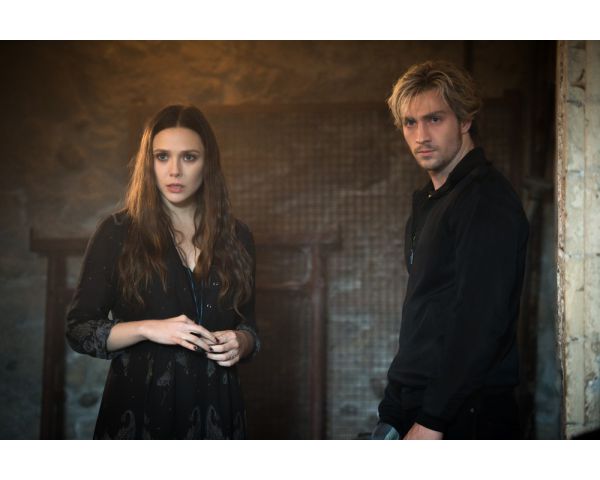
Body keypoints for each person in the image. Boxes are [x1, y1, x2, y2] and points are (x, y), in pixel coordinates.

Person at [66, 104, 259, 439]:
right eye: (162, 156)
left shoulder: (237, 236)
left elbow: (249, 324)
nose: (174, 171)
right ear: (149, 163)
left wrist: (242, 341)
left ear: (208, 163)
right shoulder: (116, 232)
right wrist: (148, 328)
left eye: (189, 157)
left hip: (219, 409)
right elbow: (79, 329)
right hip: (140, 411)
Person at [372, 61, 529, 440]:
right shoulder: (433, 201)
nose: (421, 135)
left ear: (465, 120)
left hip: (466, 414)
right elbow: (425, 313)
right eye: (410, 123)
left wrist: (433, 420)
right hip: (420, 402)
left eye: (435, 119)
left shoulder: (484, 199)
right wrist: (394, 406)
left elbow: (480, 321)